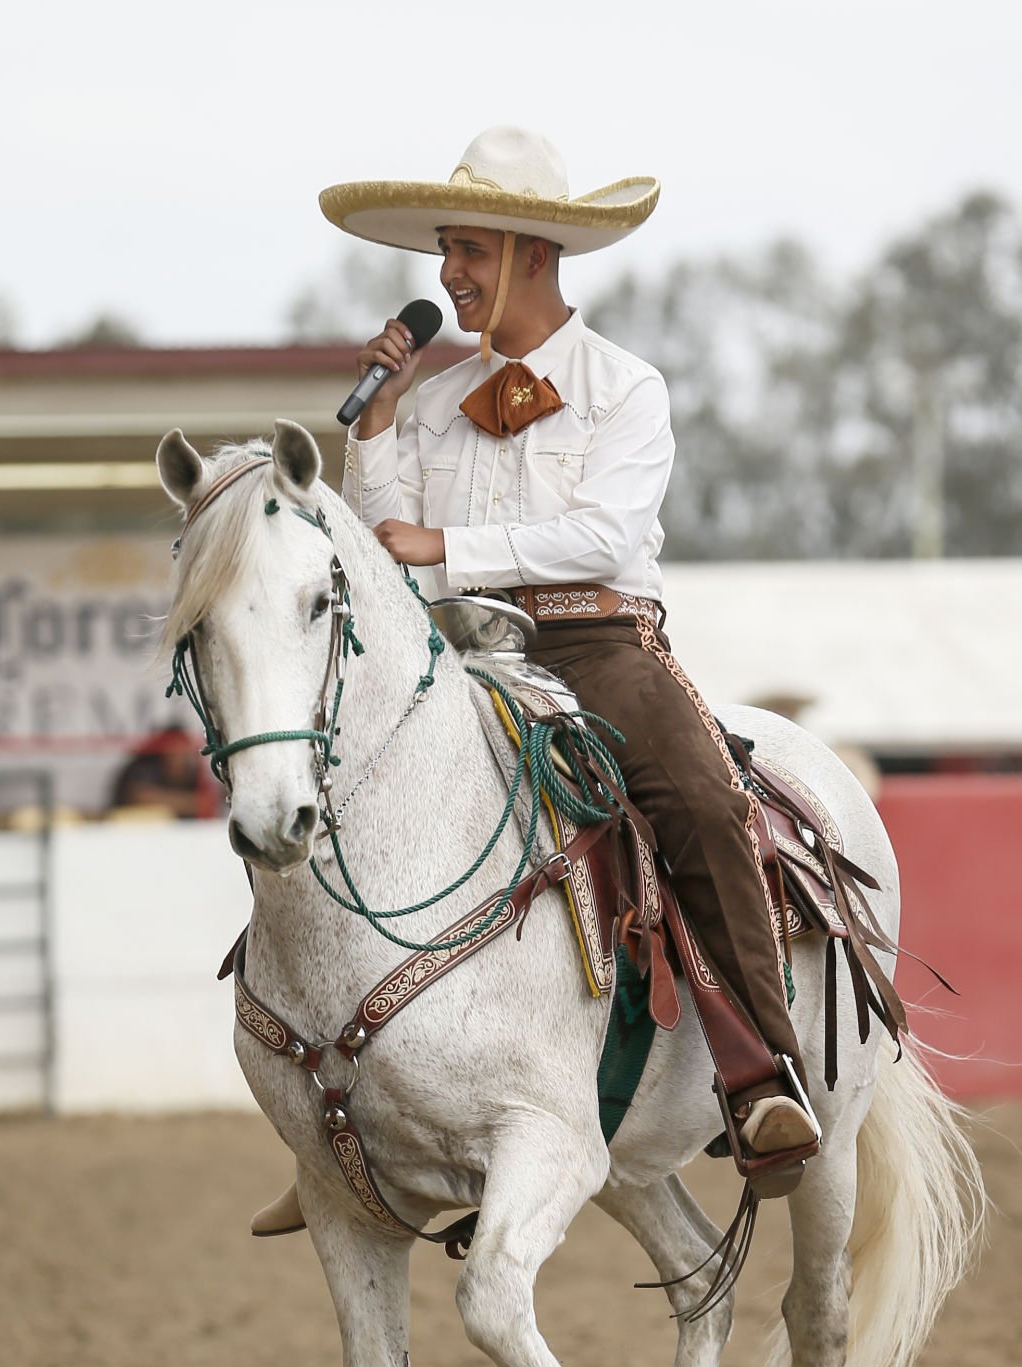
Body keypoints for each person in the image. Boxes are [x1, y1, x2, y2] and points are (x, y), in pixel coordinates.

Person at [251, 126, 817, 1237]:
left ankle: (763, 1075)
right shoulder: (420, 397)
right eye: (446, 251)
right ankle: (332, 1112)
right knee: (312, 791)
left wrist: (446, 552)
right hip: (457, 657)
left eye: (466, 249)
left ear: (532, 252)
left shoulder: (625, 388)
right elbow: (380, 542)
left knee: (702, 804)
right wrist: (372, 424)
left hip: (598, 647)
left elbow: (607, 533)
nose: (447, 274)